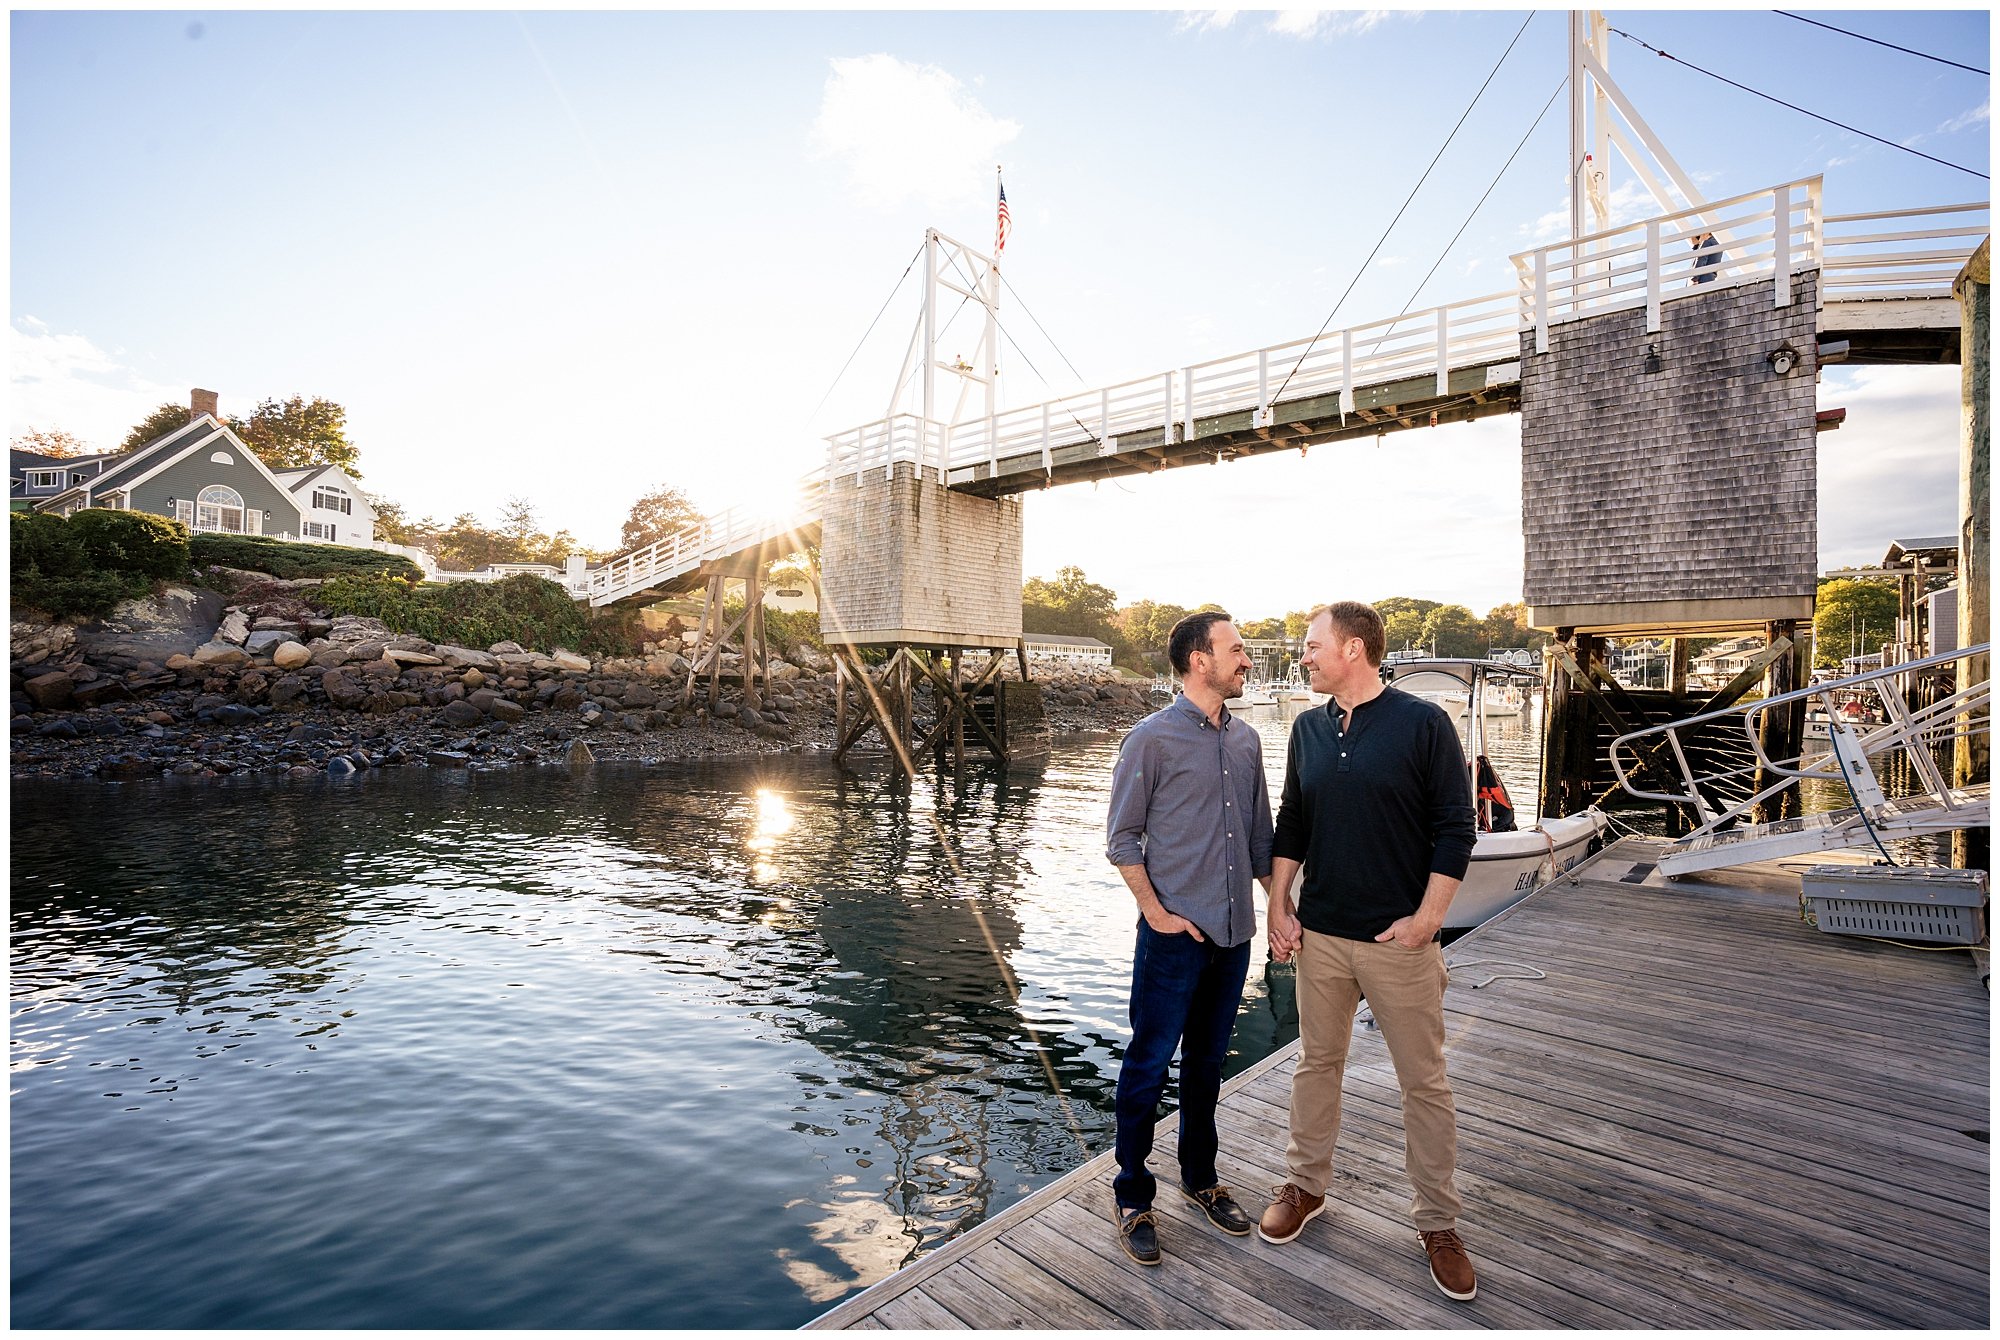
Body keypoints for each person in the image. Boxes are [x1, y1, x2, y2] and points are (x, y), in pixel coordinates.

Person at [1258, 601, 1480, 1301]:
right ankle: (1306, 1185)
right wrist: (1279, 903)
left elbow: (1455, 828)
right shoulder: (1306, 729)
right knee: (1316, 1064)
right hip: (1321, 935)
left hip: (1399, 943)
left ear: (1353, 649)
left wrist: (1426, 922)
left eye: (1312, 644)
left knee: (1425, 1082)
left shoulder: (1423, 724)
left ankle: (1439, 1223)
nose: (1303, 655)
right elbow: (1294, 819)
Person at [1103, 610, 1274, 1267]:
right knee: (1148, 1067)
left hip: (1234, 936)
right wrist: (1155, 912)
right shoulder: (1150, 740)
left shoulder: (1247, 742)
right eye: (1236, 650)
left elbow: (1260, 838)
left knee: (1206, 1066)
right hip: (1173, 936)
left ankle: (1200, 1179)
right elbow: (1122, 840)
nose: (1247, 660)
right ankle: (1132, 1196)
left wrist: (1278, 911)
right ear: (1198, 661)